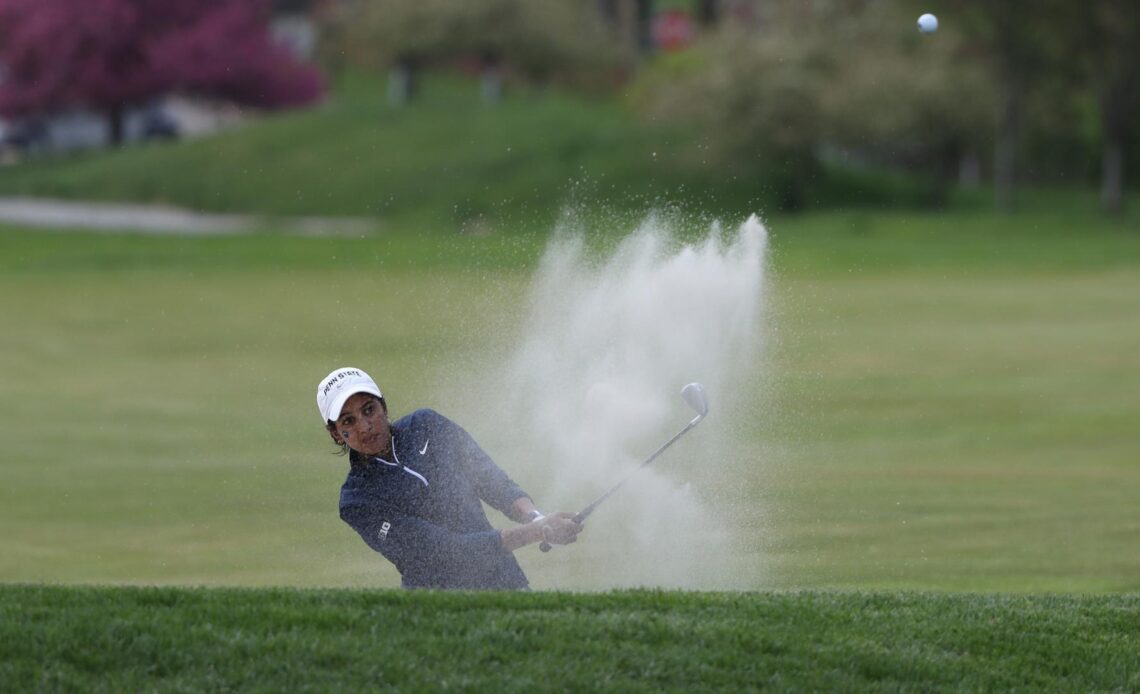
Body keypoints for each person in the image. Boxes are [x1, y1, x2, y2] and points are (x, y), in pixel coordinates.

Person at [316, 367, 582, 590]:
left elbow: (492, 481)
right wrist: (537, 531)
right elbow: (442, 551)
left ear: (383, 407)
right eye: (348, 421)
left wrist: (535, 517)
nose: (365, 426)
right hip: (438, 608)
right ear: (336, 434)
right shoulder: (357, 500)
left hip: (506, 582)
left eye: (369, 409)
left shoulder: (427, 424)